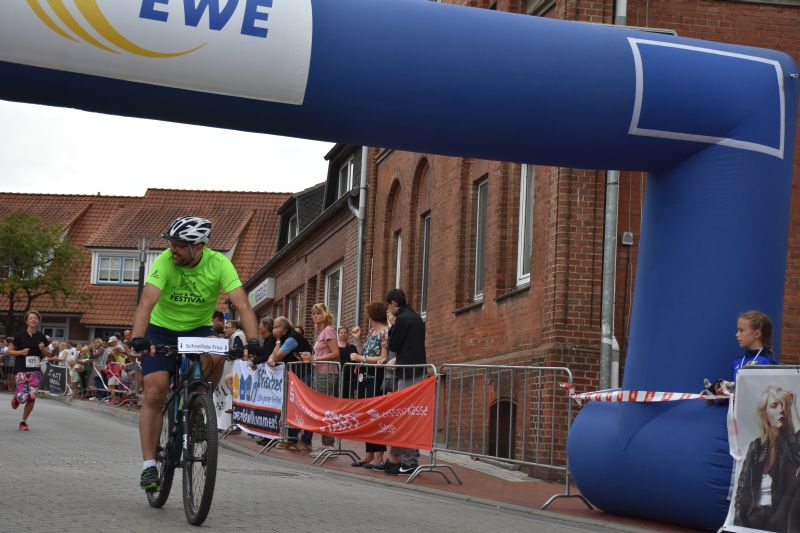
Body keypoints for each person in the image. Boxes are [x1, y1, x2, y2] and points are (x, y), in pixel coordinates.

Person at [129, 215, 261, 491]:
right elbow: (146, 302)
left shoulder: (219, 263)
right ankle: (149, 465)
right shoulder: (165, 261)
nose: (173, 249)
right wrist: (139, 339)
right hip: (161, 329)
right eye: (172, 244)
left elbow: (243, 305)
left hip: (197, 330)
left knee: (217, 354)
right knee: (155, 390)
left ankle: (200, 405)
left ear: (198, 246)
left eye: (179, 245)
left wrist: (254, 342)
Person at [734, 386, 800, 531]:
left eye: (783, 405)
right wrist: (738, 522)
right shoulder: (756, 447)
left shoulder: (788, 447)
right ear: (765, 415)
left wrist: (793, 408)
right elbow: (741, 490)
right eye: (774, 406)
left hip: (776, 519)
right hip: (751, 518)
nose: (781, 410)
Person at [383, 288, 427, 475]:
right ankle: (399, 458)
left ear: (394, 303)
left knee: (405, 416)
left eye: (389, 306)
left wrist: (392, 326)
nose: (389, 310)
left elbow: (393, 345)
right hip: (418, 371)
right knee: (409, 415)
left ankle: (409, 462)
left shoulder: (401, 319)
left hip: (407, 373)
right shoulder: (417, 317)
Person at [350, 302, 389, 469]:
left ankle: (379, 455)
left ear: (372, 315)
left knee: (376, 414)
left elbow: (383, 358)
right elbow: (364, 352)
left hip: (377, 375)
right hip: (365, 375)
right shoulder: (371, 332)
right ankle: (369, 452)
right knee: (366, 413)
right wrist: (358, 340)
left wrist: (360, 359)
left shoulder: (385, 332)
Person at [263, 316, 310, 450]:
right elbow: (272, 356)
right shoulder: (282, 338)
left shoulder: (291, 338)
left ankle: (306, 441)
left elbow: (278, 357)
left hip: (304, 375)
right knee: (292, 407)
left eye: (275, 327)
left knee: (304, 407)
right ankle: (291, 438)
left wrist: (274, 356)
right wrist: (273, 355)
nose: (273, 330)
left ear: (283, 328)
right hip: (294, 376)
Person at [7, 310, 51, 431]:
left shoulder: (41, 337)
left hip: (35, 370)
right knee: (22, 398)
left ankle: (23, 421)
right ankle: (17, 397)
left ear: (38, 321)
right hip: (21, 368)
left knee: (32, 396)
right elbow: (9, 351)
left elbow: (50, 354)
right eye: (31, 318)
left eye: (35, 318)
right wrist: (21, 352)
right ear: (26, 321)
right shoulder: (20, 335)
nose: (33, 320)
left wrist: (43, 349)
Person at [311, 303, 339, 448]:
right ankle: (326, 444)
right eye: (314, 313)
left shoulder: (329, 331)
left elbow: (335, 353)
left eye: (318, 313)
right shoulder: (322, 333)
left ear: (326, 315)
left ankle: (329, 445)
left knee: (325, 408)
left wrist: (316, 358)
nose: (315, 316)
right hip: (320, 371)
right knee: (322, 407)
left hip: (327, 372)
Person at [337, 326, 358, 398]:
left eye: (345, 333)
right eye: (341, 333)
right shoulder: (335, 347)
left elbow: (357, 360)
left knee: (348, 395)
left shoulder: (352, 347)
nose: (343, 334)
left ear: (348, 334)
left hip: (350, 376)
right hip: (337, 375)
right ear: (338, 334)